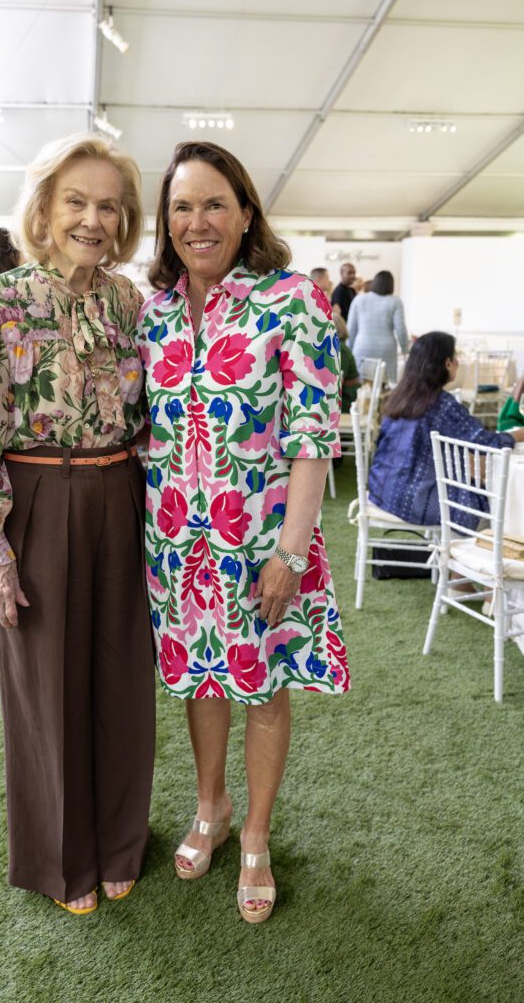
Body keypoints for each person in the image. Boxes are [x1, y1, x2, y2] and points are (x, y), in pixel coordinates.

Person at [139, 141, 348, 925]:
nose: (199, 222)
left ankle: (255, 834)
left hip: (264, 541)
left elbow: (311, 437)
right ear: (165, 223)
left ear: (246, 211)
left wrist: (290, 551)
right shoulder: (152, 312)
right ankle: (211, 807)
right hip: (175, 545)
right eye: (183, 207)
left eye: (215, 204)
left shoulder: (293, 300)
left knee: (262, 685)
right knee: (199, 680)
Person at [0, 134, 154, 916]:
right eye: (77, 200)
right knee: (46, 689)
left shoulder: (127, 301)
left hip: (121, 496)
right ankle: (61, 859)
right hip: (36, 502)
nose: (93, 219)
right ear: (43, 208)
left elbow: (146, 417)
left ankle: (118, 843)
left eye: (108, 205)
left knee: (121, 682)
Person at [368, 332, 523, 527]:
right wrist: (519, 434)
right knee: (486, 499)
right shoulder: (441, 404)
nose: (458, 362)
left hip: (381, 489)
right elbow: (485, 443)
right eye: (455, 358)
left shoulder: (400, 396)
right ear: (447, 363)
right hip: (411, 499)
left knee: (473, 481)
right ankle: (460, 553)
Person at [348, 269, 408, 382]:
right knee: (386, 385)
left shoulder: (359, 299)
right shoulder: (395, 301)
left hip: (362, 347)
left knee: (361, 385)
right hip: (386, 349)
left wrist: (349, 349)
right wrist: (405, 349)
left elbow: (351, 328)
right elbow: (401, 329)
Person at [332, 309, 361, 414]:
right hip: (342, 395)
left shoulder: (341, 350)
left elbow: (337, 382)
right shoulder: (338, 347)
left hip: (346, 399)